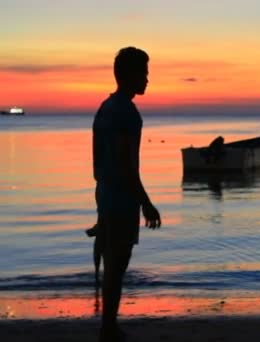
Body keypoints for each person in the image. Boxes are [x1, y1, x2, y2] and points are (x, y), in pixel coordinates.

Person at [93, 46, 161, 341]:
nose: (147, 79)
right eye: (144, 72)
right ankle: (109, 328)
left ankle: (109, 326)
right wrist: (146, 203)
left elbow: (98, 165)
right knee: (117, 265)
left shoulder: (105, 108)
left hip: (106, 195)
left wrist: (101, 207)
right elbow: (128, 165)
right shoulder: (127, 114)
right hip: (120, 200)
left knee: (112, 264)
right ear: (130, 75)